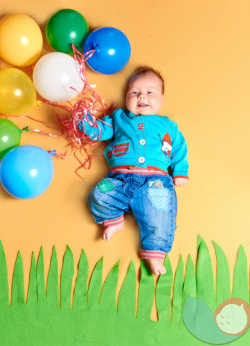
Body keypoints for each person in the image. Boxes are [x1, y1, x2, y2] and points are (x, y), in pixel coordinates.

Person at [79, 66, 189, 275]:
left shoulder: (168, 126)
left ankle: (155, 254)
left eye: (150, 92)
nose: (142, 97)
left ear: (162, 99)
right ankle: (113, 220)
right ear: (126, 97)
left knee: (160, 217)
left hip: (155, 181)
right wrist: (85, 122)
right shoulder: (119, 118)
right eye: (135, 92)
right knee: (99, 194)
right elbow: (100, 131)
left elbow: (179, 149)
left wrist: (180, 171)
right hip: (120, 178)